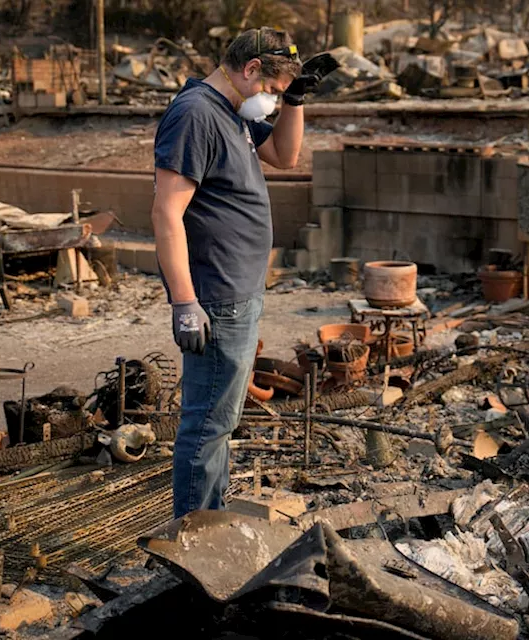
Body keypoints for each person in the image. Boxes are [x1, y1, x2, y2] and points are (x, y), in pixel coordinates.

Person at [151, 28, 331, 518]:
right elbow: (166, 213)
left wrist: (293, 98)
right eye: (271, 90)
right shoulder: (195, 115)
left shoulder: (231, 112)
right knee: (208, 424)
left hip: (239, 293)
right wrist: (185, 303)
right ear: (250, 70)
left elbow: (285, 157)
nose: (271, 102)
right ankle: (193, 540)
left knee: (221, 420)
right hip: (216, 298)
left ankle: (211, 519)